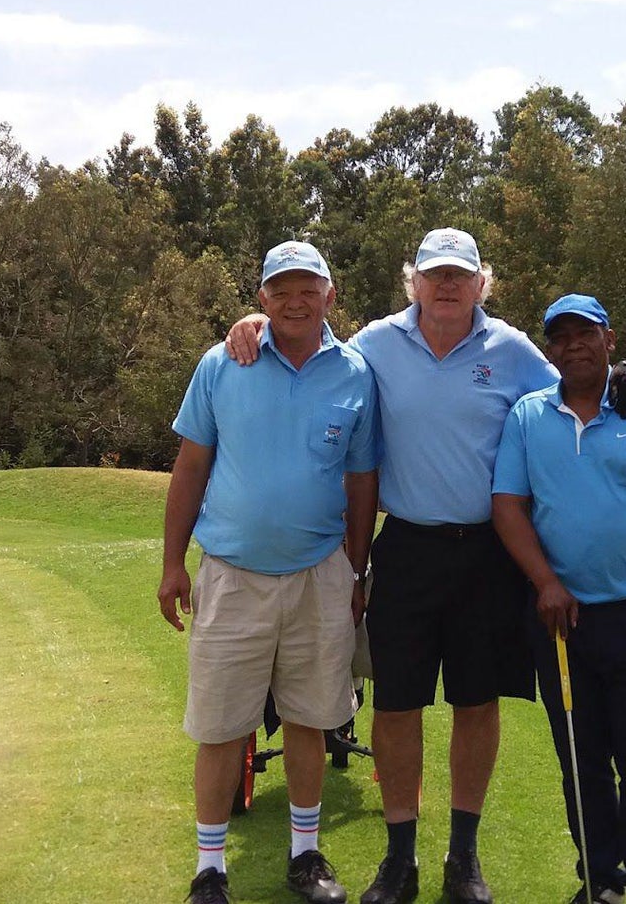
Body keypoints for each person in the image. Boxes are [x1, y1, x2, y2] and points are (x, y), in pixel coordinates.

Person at [225, 229, 626, 904]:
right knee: (396, 706)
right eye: (434, 275)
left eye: (460, 274)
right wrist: (251, 323)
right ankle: (400, 860)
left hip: (487, 554)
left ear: (482, 282)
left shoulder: (511, 350)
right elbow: (308, 340)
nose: (447, 285)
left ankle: (464, 858)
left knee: (476, 702)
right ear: (414, 282)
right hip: (408, 548)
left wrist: (624, 370)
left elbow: (572, 389)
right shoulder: (374, 343)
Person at [160, 240, 380, 904]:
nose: (294, 298)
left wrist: (356, 568)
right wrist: (173, 562)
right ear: (261, 298)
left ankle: (306, 856)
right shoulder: (224, 363)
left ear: (329, 294)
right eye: (280, 288)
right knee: (223, 725)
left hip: (320, 573)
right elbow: (191, 466)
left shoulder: (355, 372)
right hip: (231, 574)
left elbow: (362, 477)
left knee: (313, 720)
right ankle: (209, 867)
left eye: (307, 286)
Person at [490, 294, 626, 904]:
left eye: (584, 334)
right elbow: (507, 506)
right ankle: (600, 883)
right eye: (560, 338)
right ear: (550, 350)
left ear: (609, 341)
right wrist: (545, 582)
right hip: (562, 621)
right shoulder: (529, 416)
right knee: (581, 759)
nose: (573, 346)